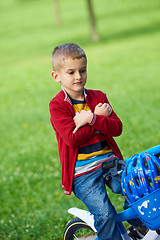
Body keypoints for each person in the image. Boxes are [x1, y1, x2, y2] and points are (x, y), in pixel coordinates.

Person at [49, 43, 124, 240]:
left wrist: (91, 118)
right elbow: (73, 139)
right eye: (71, 72)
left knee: (137, 186)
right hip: (83, 174)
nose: (78, 77)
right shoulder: (57, 106)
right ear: (56, 76)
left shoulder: (98, 97)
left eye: (82, 70)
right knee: (105, 212)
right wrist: (97, 118)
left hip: (109, 162)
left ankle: (138, 229)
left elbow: (117, 128)